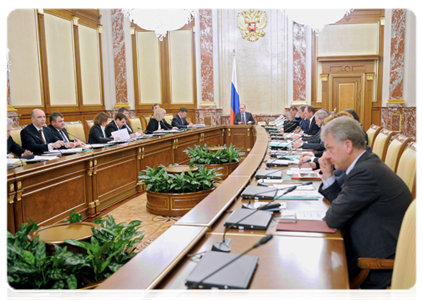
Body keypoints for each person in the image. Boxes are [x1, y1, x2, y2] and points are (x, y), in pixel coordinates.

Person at [318, 116, 412, 290]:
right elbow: (342, 202)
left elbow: (333, 217)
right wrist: (328, 175)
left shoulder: (365, 172)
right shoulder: (366, 163)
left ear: (348, 146)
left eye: (330, 149)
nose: (326, 156)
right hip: (370, 251)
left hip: (374, 267)